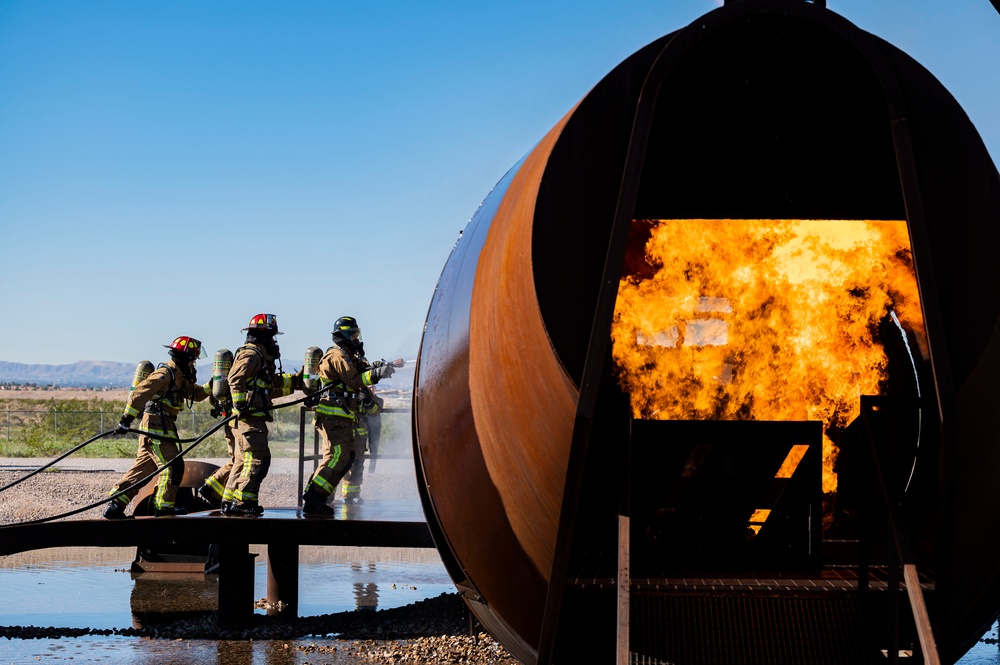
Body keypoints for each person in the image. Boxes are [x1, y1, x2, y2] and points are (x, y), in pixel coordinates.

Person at [104, 336, 211, 519]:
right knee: (173, 467)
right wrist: (126, 419)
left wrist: (215, 384)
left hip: (163, 425)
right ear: (186, 358)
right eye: (193, 359)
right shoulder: (164, 374)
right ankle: (163, 508)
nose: (194, 364)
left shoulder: (178, 377)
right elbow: (139, 394)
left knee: (143, 470)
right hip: (155, 426)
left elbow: (197, 394)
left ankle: (115, 504)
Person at [301, 316, 394, 516]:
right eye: (353, 334)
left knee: (343, 457)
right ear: (343, 335)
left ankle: (316, 497)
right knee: (337, 457)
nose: (356, 338)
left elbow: (359, 372)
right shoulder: (336, 356)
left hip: (341, 416)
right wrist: (377, 374)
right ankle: (314, 497)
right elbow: (354, 380)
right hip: (334, 416)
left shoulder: (347, 356)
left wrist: (376, 367)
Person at [222, 313, 303, 516]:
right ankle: (243, 503)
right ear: (264, 336)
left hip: (251, 418)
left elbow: (269, 388)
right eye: (272, 337)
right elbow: (235, 379)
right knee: (258, 460)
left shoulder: (260, 357)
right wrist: (241, 406)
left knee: (242, 462)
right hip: (249, 419)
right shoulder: (252, 355)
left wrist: (297, 382)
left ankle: (228, 501)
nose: (274, 342)